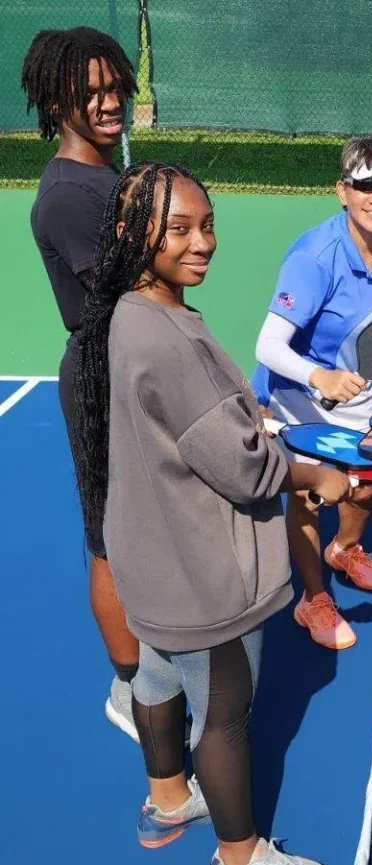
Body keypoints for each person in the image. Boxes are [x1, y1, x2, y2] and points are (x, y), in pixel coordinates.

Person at [73, 161, 350, 865]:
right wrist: (318, 474)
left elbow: (179, 424)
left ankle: (167, 800)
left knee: (156, 679)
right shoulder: (167, 338)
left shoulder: (119, 317)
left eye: (208, 224)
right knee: (225, 717)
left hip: (146, 561)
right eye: (179, 229)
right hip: (203, 575)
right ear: (132, 234)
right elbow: (243, 466)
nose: (202, 242)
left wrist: (236, 415)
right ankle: (241, 854)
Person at [22, 26, 142, 740]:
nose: (106, 103)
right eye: (87, 93)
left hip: (135, 366)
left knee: (144, 525)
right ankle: (131, 689)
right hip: (102, 379)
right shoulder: (68, 195)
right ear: (56, 101)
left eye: (112, 87)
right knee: (108, 538)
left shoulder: (108, 174)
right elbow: (130, 294)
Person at [252, 135, 372, 651]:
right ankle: (313, 599)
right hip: (296, 394)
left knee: (364, 487)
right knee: (310, 495)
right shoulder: (314, 257)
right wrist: (319, 378)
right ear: (342, 191)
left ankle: (344, 548)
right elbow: (268, 345)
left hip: (354, 392)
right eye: (366, 185)